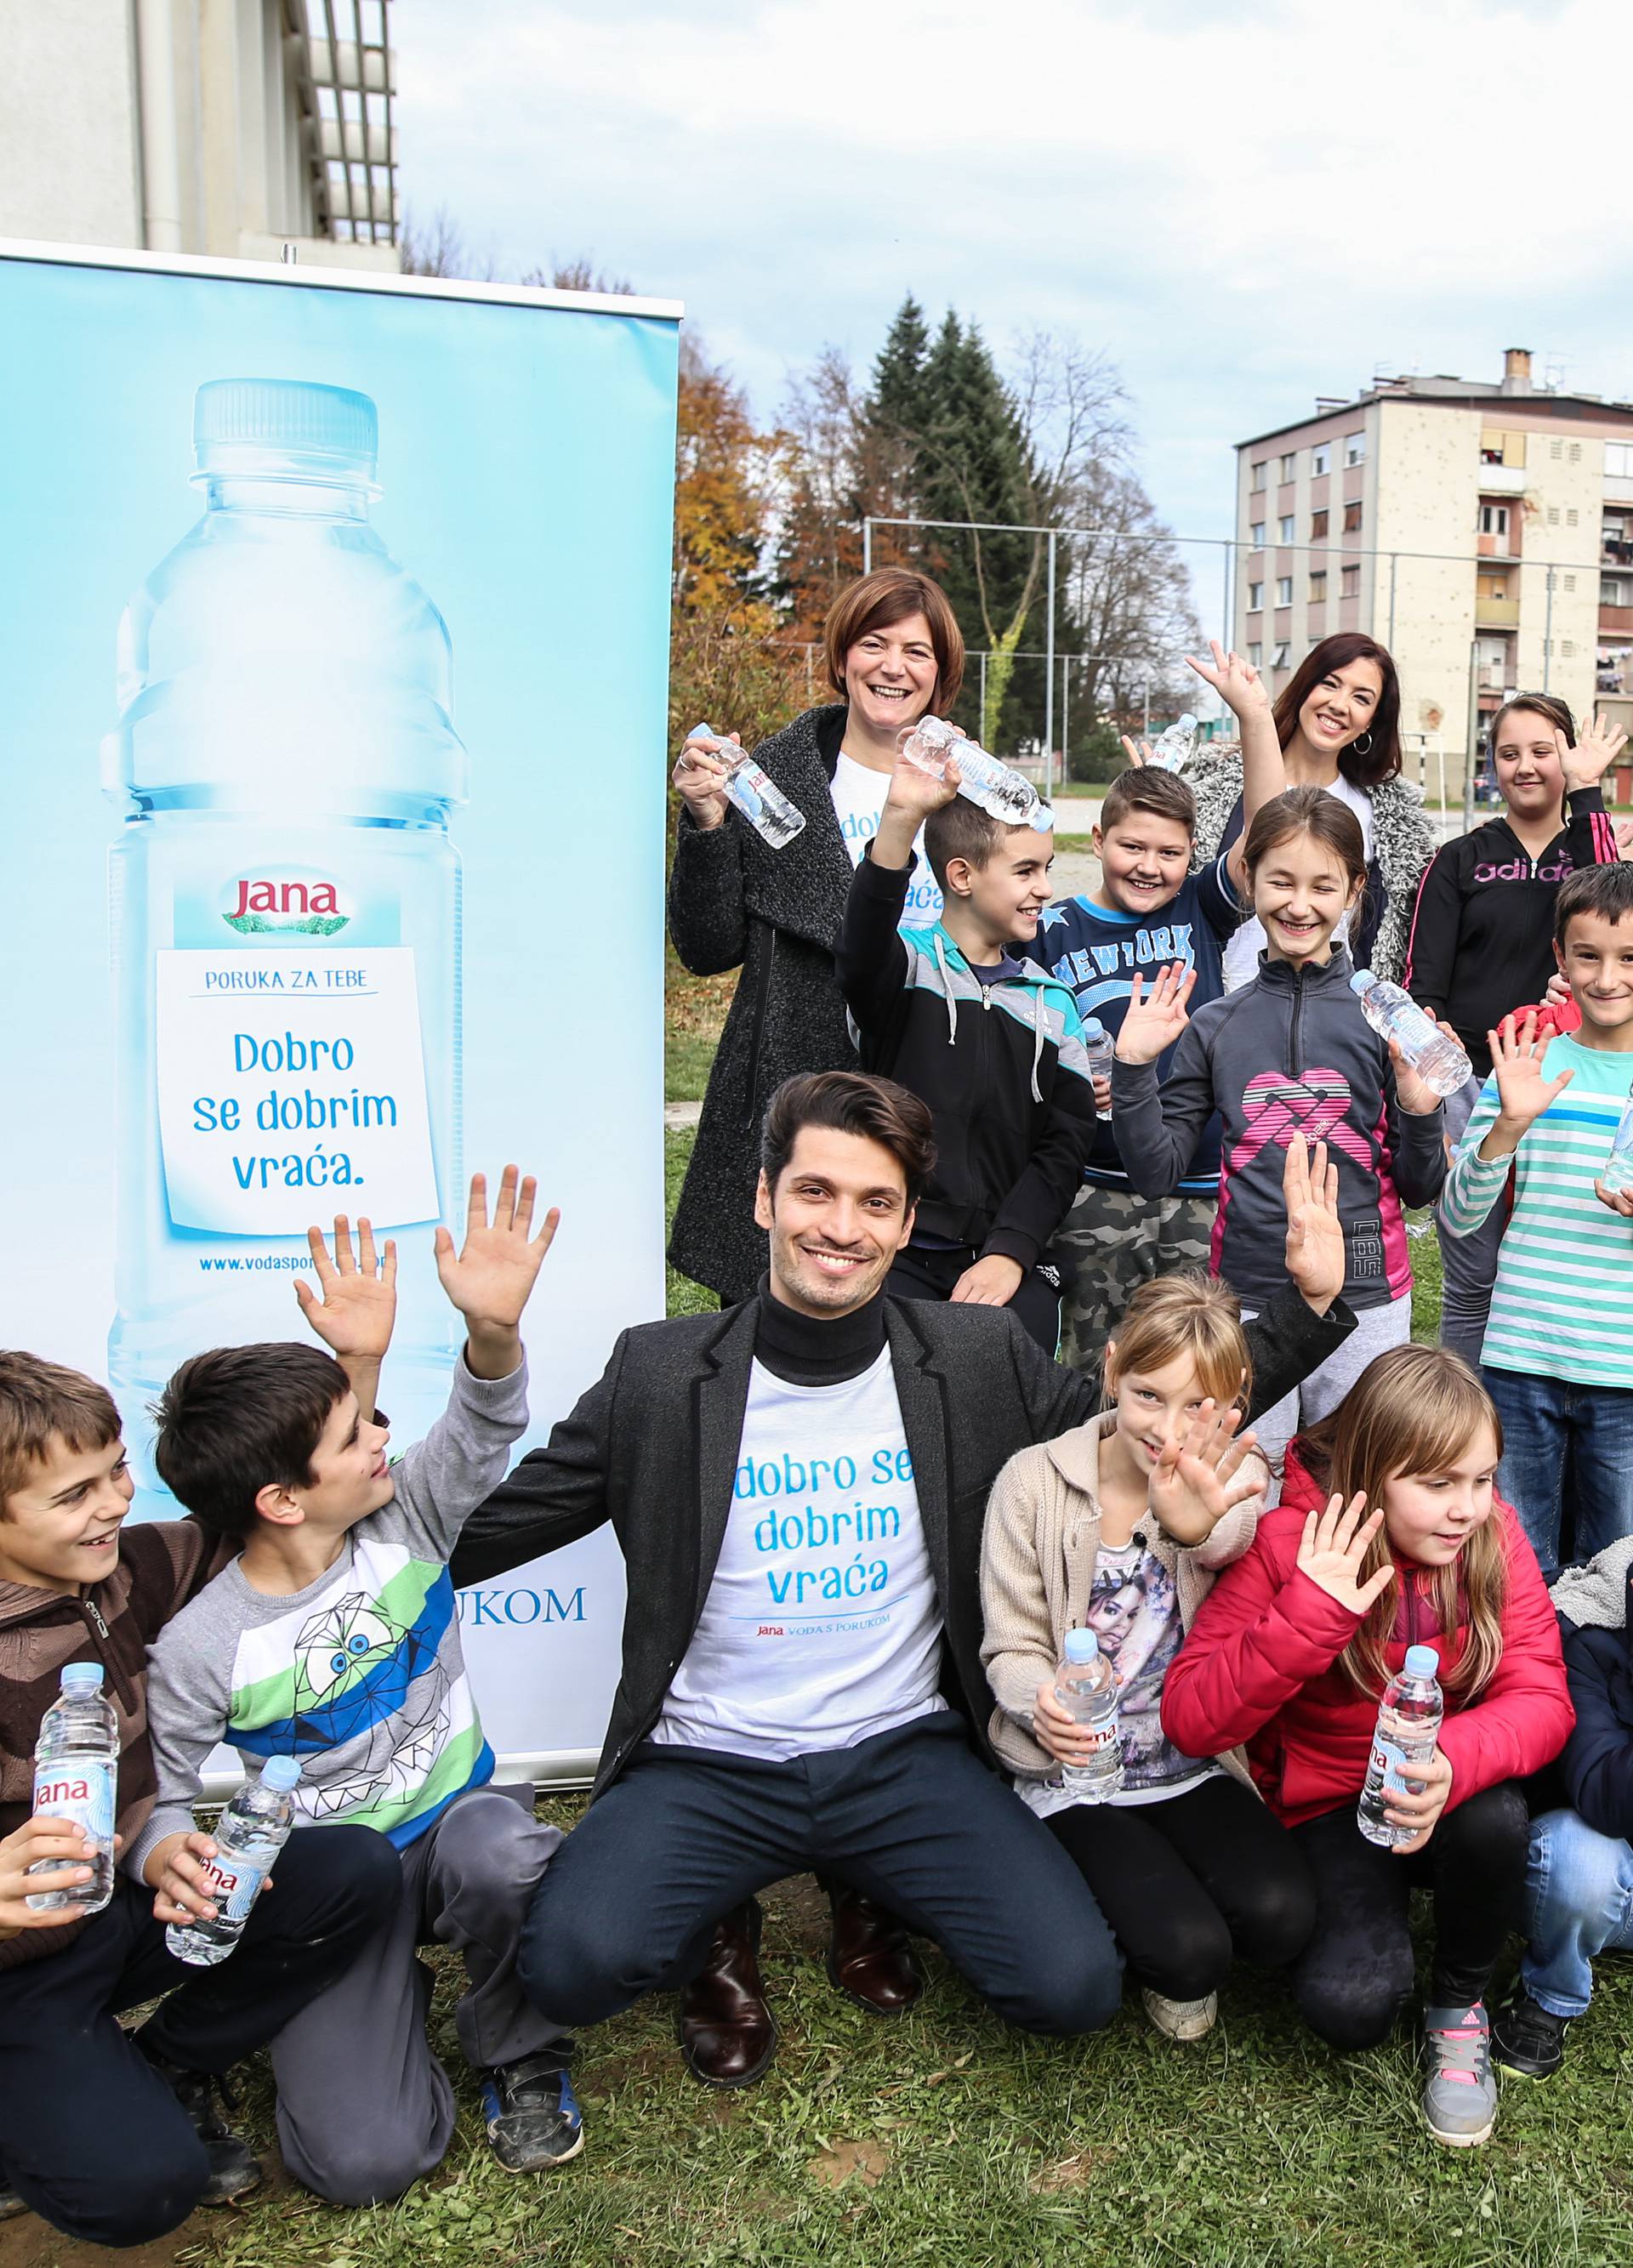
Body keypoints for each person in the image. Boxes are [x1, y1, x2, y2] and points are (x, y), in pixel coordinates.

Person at [449, 1071, 1356, 2088]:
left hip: (899, 1754)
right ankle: (720, 1917)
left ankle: (866, 1880)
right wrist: (489, 1356)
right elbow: (475, 1535)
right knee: (576, 1967)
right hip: (710, 1759)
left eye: (876, 1203)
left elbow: (1152, 1422)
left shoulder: (969, 1357)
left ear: (907, 1221)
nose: (842, 1227)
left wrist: (1310, 1308)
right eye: (815, 1193)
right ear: (763, 1198)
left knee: (1071, 1988)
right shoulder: (662, 1374)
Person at [139, 1171, 578, 2205]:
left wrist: (494, 1332)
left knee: (506, 1851)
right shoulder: (204, 1644)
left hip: (459, 1827)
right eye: (356, 1433)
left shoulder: (405, 1519)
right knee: (367, 2165)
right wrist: (165, 1846)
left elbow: (481, 1425)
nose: (382, 1434)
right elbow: (154, 1794)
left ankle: (518, 2045)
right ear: (281, 1500)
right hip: (338, 1885)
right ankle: (368, 2015)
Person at [0, 1353, 398, 2245]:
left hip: (122, 1909)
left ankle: (167, 2061)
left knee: (352, 1871)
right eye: (72, 1496)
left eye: (115, 1472)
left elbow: (301, 1490)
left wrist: (359, 1378)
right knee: (142, 2192)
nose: (111, 1504)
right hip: (19, 1973)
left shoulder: (139, 1562)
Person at [1162, 1344, 1573, 2149]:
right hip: (1330, 1807)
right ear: (1371, 1472)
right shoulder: (1291, 1543)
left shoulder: (1495, 1539)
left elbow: (1543, 1696)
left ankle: (1460, 2005)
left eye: (1483, 1479)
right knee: (1350, 2007)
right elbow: (1191, 1716)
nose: (1466, 1508)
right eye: (1437, 1483)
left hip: (1444, 1791)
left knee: (1496, 1817)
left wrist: (1451, 1762)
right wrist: (1309, 1614)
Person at [980, 1270, 1316, 2044]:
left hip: (1187, 1760)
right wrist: (1044, 1703)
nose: (1168, 1428)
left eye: (1197, 1407)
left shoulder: (1232, 1475)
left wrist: (1193, 1525)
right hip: (1076, 1773)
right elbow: (1010, 1644)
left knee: (1283, 1917)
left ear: (1232, 1407)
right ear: (1110, 1371)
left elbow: (1233, 1545)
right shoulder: (1034, 1483)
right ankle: (1112, 1905)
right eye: (1147, 1396)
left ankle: (1161, 1882)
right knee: (1190, 1951)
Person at [1110, 787, 1448, 1484]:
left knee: (1356, 1487)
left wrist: (1419, 1107)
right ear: (1251, 879)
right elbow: (1155, 1171)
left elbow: (1419, 1189)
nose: (1300, 905)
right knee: (1242, 1493)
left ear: (1355, 889)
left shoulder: (1385, 1019)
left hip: (1368, 1296)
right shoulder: (1215, 1023)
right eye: (1281, 882)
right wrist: (1135, 1067)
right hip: (1250, 1298)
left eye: (1324, 885)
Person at [668, 567, 964, 1308]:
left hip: (935, 1071)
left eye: (917, 652)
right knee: (784, 1322)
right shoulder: (772, 778)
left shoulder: (969, 786)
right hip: (796, 1083)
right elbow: (707, 949)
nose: (893, 666)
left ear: (941, 675)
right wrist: (707, 823)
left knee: (922, 1329)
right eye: (874, 643)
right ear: (841, 659)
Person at [1040, 645, 1284, 1364]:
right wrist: (1064, 1078)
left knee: (1197, 1367)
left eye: (1169, 853)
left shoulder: (1198, 911)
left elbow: (1265, 837)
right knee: (1097, 1367)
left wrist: (1254, 717)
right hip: (1093, 1185)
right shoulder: (1051, 929)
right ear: (1097, 839)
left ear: (1191, 857)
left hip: (1202, 1184)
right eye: (1131, 846)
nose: (1149, 866)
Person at [834, 738, 1090, 1351]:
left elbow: (1064, 1148)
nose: (1045, 888)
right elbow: (860, 946)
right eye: (1026, 870)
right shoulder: (904, 970)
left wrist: (1011, 1252)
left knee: (1002, 1420)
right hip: (899, 1255)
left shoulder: (1054, 1005)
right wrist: (900, 817)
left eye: (1048, 868)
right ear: (962, 875)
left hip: (1006, 1258)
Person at [1403, 696, 1624, 1366]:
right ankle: (1467, 1433)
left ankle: (1560, 1398)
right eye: (1508, 753)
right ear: (1490, 764)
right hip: (1476, 1082)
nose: (1525, 767)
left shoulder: (1586, 843)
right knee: (1472, 1278)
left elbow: (1619, 907)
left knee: (1550, 1256)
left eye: (1542, 751)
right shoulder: (1460, 858)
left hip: (1569, 1080)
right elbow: (1424, 984)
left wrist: (1587, 793)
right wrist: (1440, 1086)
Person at [1437, 864, 1633, 1577]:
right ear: (1559, 956)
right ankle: (1526, 1685)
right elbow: (1460, 1217)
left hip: (1624, 1365)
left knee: (1618, 1568)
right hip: (1521, 1355)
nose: (1607, 977)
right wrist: (1505, 1131)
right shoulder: (1527, 1063)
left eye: (1628, 958)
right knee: (1514, 1564)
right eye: (1588, 955)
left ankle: (1600, 1689)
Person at [1188, 632, 1436, 988]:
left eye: (1361, 698)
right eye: (1330, 684)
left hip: (1330, 1018)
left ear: (1371, 721)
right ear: (1305, 687)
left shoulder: (1388, 822)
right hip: (1224, 1001)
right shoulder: (1217, 788)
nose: (1339, 704)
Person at [1491, 1534, 1633, 2079]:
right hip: (1617, 1876)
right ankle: (1550, 1999)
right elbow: (1598, 1791)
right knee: (1573, 1858)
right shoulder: (1589, 1636)